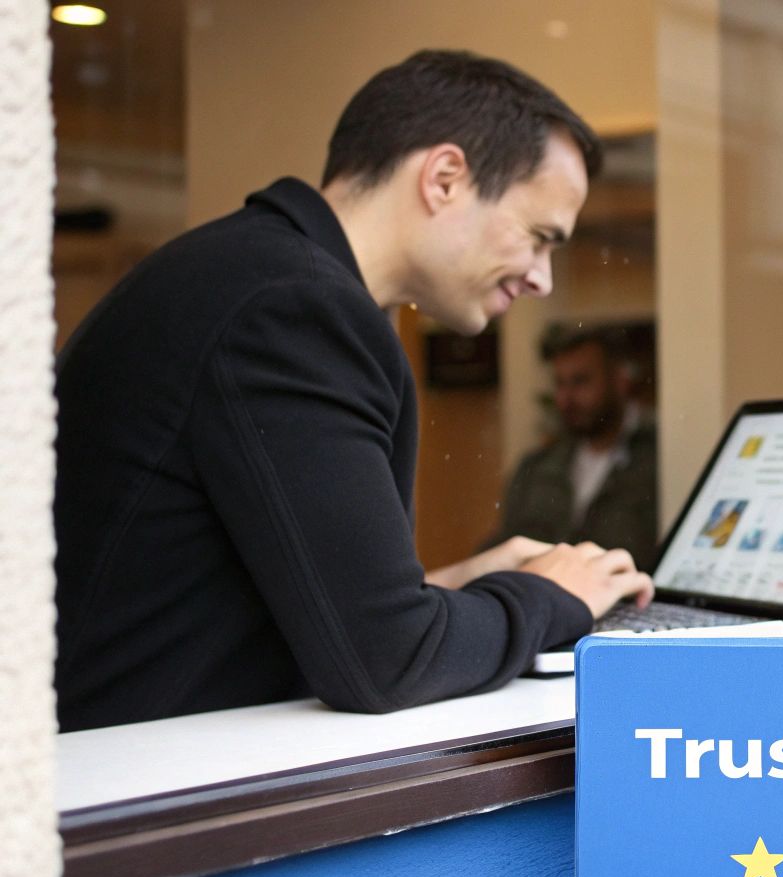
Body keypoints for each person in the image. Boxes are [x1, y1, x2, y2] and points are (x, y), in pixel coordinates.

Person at [53, 50, 653, 732]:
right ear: (446, 178)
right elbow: (386, 660)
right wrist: (552, 597)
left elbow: (292, 613)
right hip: (116, 801)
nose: (543, 278)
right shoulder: (292, 308)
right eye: (540, 237)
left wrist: (454, 585)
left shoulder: (255, 275)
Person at [484, 324, 659, 567]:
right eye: (560, 383)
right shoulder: (536, 467)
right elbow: (502, 546)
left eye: (581, 381)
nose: (566, 398)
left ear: (620, 381)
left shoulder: (657, 460)